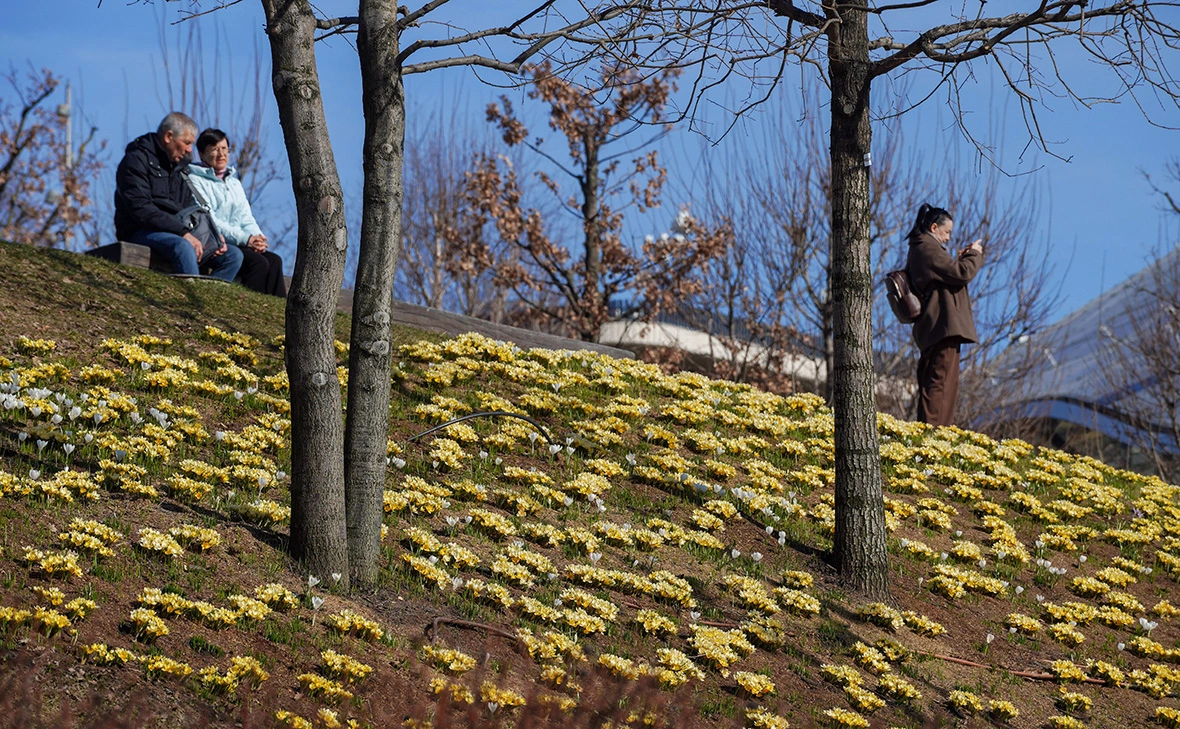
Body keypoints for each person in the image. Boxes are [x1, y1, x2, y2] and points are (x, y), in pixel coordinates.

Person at [114, 112, 242, 281]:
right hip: (140, 230)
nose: (190, 150)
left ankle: (209, 300)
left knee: (232, 255)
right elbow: (141, 210)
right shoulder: (135, 161)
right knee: (183, 246)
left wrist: (211, 236)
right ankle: (192, 301)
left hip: (177, 230)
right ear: (168, 136)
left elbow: (189, 206)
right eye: (187, 143)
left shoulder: (181, 168)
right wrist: (183, 233)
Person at [905, 203, 984, 427]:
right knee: (941, 385)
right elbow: (962, 273)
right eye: (947, 231)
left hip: (935, 327)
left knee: (938, 383)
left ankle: (933, 433)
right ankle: (935, 437)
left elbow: (947, 276)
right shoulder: (927, 249)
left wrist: (963, 257)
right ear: (933, 227)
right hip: (942, 326)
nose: (949, 238)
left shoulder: (921, 248)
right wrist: (974, 255)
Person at [188, 128, 287, 298]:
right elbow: (210, 220)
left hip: (240, 240)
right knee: (258, 264)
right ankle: (251, 307)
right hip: (216, 241)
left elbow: (245, 216)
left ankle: (279, 315)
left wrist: (258, 238)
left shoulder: (234, 183)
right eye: (215, 149)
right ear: (202, 154)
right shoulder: (194, 180)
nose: (221, 154)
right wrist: (246, 239)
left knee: (275, 260)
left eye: (225, 148)